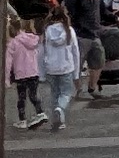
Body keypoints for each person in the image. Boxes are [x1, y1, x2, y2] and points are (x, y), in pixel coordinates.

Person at [35, 7, 79, 135]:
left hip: (51, 68)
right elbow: (75, 52)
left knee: (54, 93)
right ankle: (60, 109)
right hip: (66, 67)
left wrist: (41, 73)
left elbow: (41, 53)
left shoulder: (46, 31)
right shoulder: (69, 31)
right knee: (66, 93)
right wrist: (76, 73)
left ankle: (58, 121)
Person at [8, 12, 39, 124]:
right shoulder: (32, 39)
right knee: (33, 95)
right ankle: (40, 112)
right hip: (33, 72)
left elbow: (9, 61)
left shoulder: (13, 43)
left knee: (21, 98)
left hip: (20, 74)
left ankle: (22, 120)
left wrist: (7, 78)